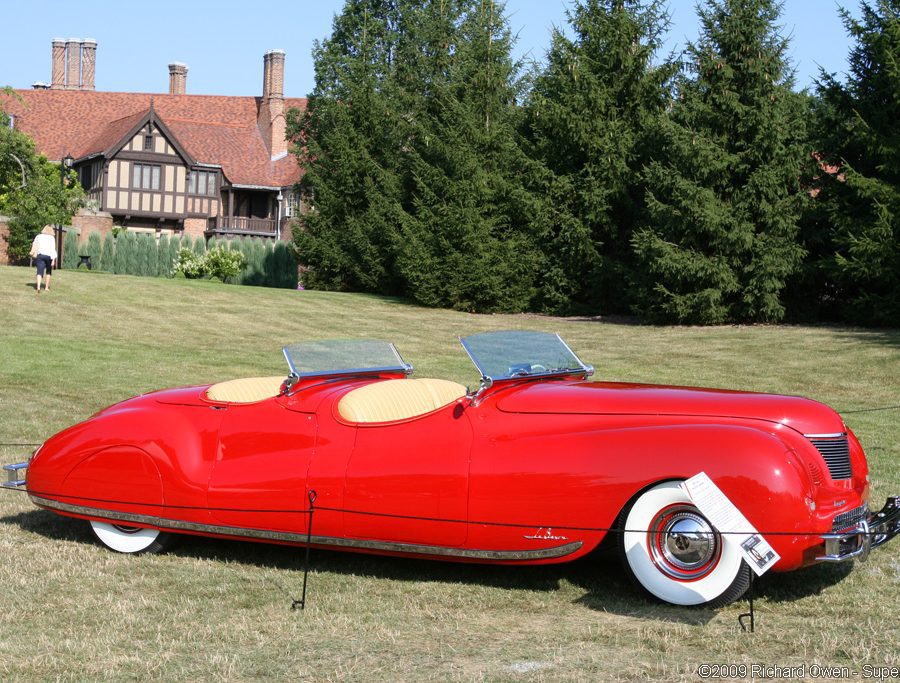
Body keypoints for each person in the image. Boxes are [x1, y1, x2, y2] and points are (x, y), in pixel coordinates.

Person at [30, 225, 58, 293]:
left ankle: (38, 287)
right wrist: (53, 260)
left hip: (40, 255)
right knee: (48, 272)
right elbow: (53, 249)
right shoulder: (52, 238)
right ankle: (46, 288)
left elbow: (34, 244)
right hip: (49, 256)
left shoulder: (38, 236)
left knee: (39, 271)